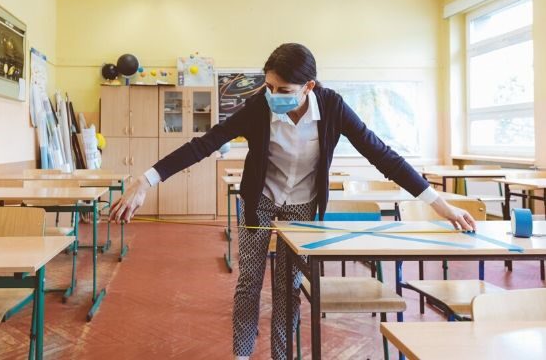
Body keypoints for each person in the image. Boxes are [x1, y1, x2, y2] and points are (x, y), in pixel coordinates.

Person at [109, 43, 476, 360]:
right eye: (268, 86)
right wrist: (147, 179)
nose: (273, 94)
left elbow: (382, 154)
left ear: (309, 87)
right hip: (259, 201)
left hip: (303, 207)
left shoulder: (332, 107)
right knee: (249, 279)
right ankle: (241, 352)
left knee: (288, 286)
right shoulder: (258, 107)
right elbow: (205, 143)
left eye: (282, 88)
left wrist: (438, 203)